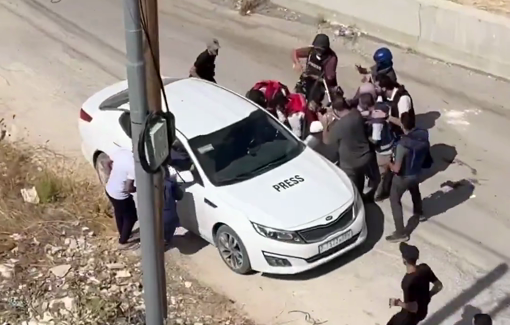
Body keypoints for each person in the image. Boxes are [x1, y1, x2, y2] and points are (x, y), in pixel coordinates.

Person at [321, 97, 380, 198]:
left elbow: (327, 141)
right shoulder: (356, 114)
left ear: (336, 110)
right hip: (365, 157)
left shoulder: (340, 126)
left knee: (352, 188)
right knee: (360, 180)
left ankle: (357, 202)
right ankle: (363, 196)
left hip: (350, 164)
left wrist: (325, 125)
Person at [387, 112, 431, 243]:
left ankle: (400, 232)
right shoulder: (424, 134)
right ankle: (419, 213)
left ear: (402, 125)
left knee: (394, 200)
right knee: (415, 191)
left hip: (403, 177)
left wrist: (388, 162)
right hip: (417, 172)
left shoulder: (402, 145)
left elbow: (396, 169)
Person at [388, 243, 443, 325]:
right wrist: (428, 295)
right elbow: (439, 285)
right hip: (422, 312)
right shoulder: (425, 268)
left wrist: (397, 303)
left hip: (408, 318)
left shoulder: (407, 282)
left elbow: (413, 308)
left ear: (404, 260)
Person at [292, 33, 343, 109]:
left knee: (312, 106)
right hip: (306, 80)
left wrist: (311, 75)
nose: (317, 51)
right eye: (316, 48)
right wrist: (297, 63)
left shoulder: (331, 58)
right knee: (295, 98)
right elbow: (294, 52)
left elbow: (329, 78)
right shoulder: (311, 51)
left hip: (320, 85)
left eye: (320, 49)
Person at [105, 148, 139, 249]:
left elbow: (105, 162)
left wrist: (110, 175)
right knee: (131, 217)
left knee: (119, 213)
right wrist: (140, 189)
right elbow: (128, 188)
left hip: (109, 189)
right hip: (121, 196)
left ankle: (122, 233)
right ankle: (123, 241)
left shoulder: (122, 152)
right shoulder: (133, 166)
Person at [365, 101, 396, 201]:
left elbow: (375, 140)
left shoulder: (377, 124)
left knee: (380, 176)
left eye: (376, 111)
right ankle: (386, 188)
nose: (373, 112)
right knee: (387, 174)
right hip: (391, 149)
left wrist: (366, 138)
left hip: (383, 153)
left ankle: (377, 195)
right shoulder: (386, 119)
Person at [375, 74, 415, 138]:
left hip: (403, 137)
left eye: (376, 87)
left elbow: (405, 125)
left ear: (384, 89)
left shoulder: (402, 99)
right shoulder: (387, 96)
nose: (375, 89)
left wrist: (386, 116)